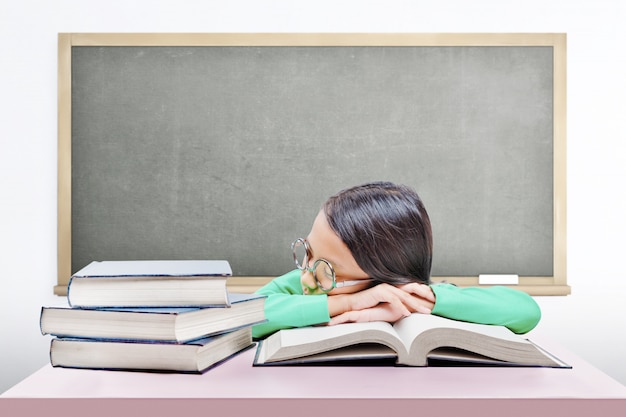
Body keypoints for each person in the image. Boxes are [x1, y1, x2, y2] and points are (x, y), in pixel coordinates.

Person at [252, 181, 541, 339]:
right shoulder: (301, 285)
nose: (307, 275)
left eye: (327, 270)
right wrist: (347, 302)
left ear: (386, 281)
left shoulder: (419, 297)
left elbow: (527, 311)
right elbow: (240, 319)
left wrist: (426, 300)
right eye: (308, 251)